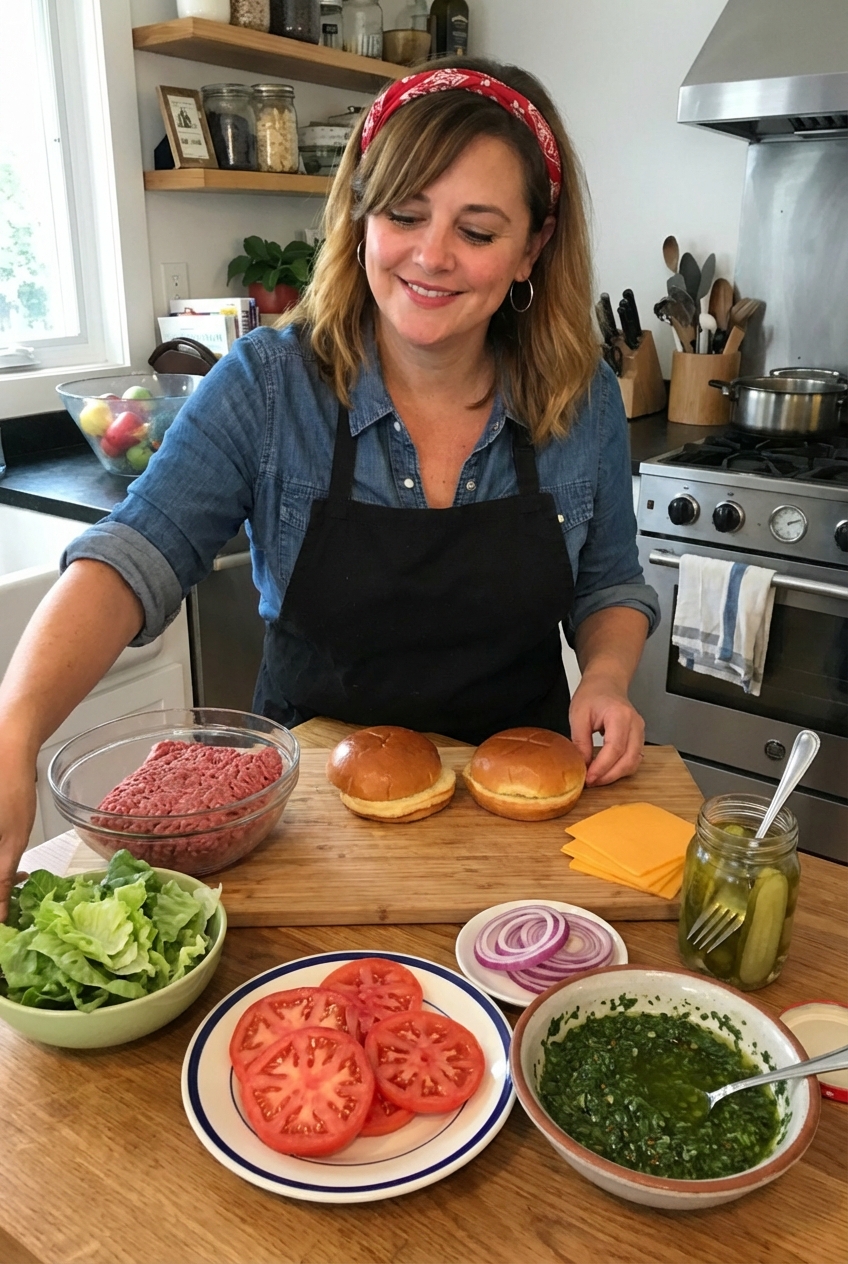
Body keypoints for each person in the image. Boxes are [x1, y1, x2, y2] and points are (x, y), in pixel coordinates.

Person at [0, 57, 659, 920]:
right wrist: (14, 732)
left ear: (533, 244)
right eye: (405, 213)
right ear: (360, 214)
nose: (431, 256)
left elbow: (609, 578)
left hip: (516, 819)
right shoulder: (269, 385)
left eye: (478, 229)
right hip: (300, 825)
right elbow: (136, 553)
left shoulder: (586, 396)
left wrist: (606, 674)